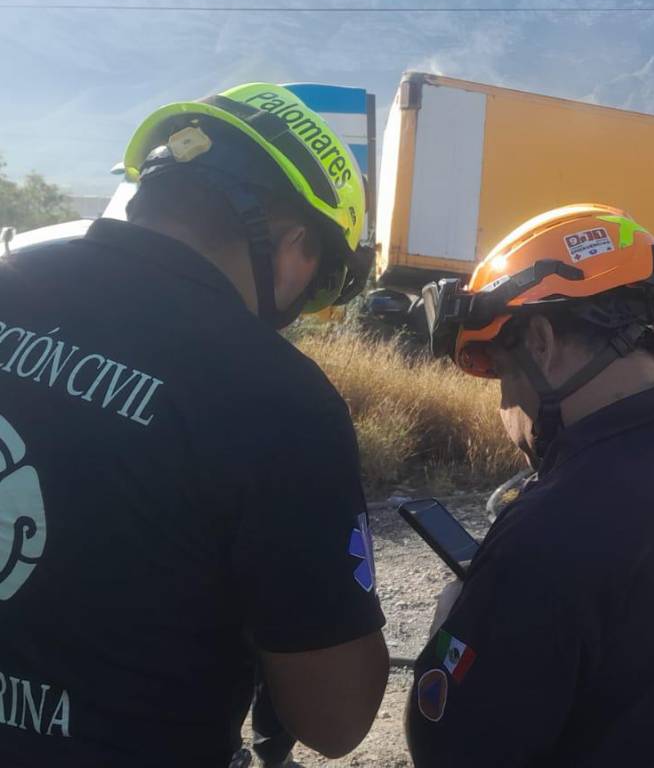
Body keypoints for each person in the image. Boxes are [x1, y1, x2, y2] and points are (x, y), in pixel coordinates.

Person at [0, 83, 389, 768]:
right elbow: (335, 719)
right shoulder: (279, 397)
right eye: (321, 283)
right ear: (296, 244)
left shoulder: (11, 276)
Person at [412, 204, 654, 766]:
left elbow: (448, 746)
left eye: (502, 376)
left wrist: (453, 621)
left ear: (540, 341)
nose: (505, 411)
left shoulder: (553, 528)